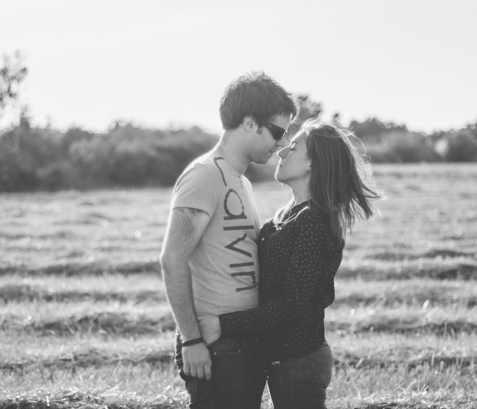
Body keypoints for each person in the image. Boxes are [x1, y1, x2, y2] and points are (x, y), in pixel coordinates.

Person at [198, 120, 380, 409]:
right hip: (281, 357)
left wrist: (222, 324)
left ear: (312, 163)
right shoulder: (287, 214)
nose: (282, 152)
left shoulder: (311, 220)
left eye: (294, 147)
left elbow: (293, 304)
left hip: (299, 360)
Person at [159, 72, 299, 409]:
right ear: (250, 123)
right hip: (216, 345)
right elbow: (172, 259)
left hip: (240, 340)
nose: (281, 144)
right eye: (278, 132)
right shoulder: (205, 174)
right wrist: (192, 339)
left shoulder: (242, 182)